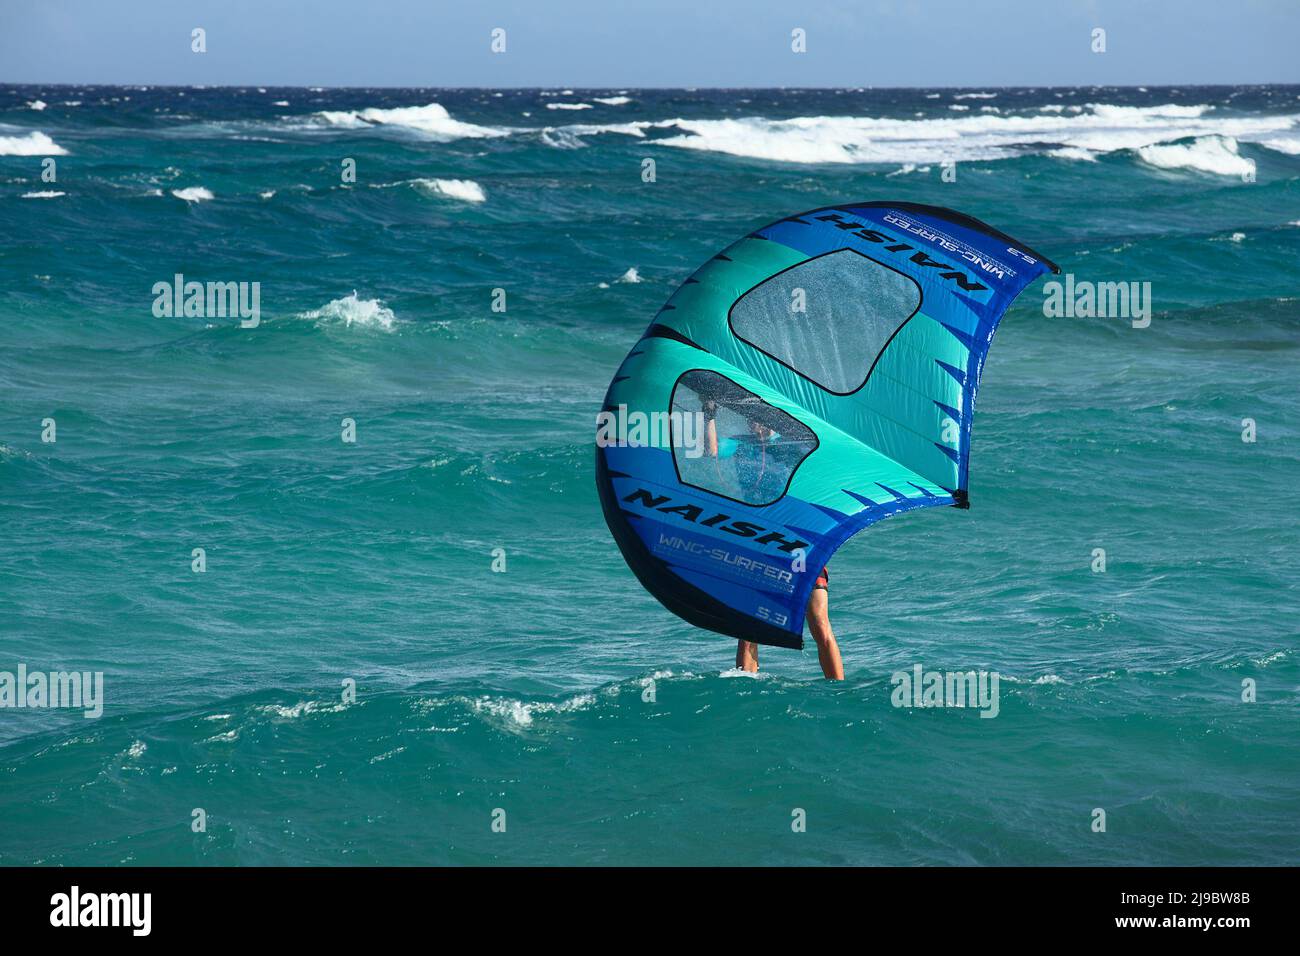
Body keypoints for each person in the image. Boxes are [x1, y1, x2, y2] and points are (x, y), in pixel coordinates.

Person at [701, 398, 845, 680]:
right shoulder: (741, 443)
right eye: (750, 419)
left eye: (760, 418)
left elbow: (821, 449)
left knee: (818, 622)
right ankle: (746, 686)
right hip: (757, 542)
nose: (754, 425)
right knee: (747, 629)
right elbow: (711, 451)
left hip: (797, 542)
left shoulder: (792, 445)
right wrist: (709, 414)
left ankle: (838, 688)